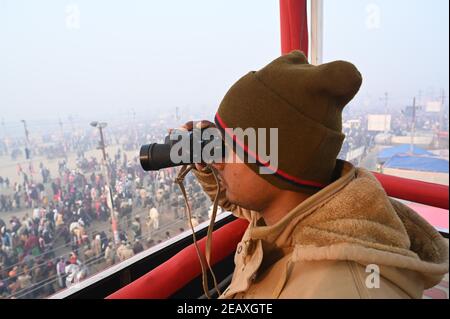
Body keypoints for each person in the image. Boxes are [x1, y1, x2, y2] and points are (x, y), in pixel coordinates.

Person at [180, 51, 448, 299]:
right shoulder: (291, 215)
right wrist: (207, 168)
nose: (218, 159)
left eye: (227, 147)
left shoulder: (340, 289)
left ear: (274, 164)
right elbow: (238, 197)